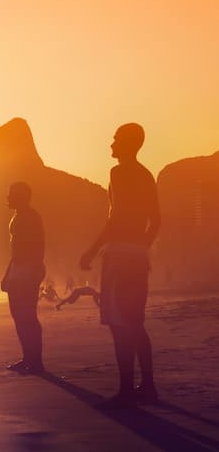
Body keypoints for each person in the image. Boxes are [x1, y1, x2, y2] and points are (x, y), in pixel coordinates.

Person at [80, 123, 160, 408]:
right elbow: (157, 221)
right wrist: (141, 248)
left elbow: (116, 218)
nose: (111, 144)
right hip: (137, 257)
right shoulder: (146, 175)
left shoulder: (119, 172)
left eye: (115, 139)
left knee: (118, 323)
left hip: (119, 257)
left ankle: (127, 388)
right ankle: (148, 386)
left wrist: (91, 250)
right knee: (135, 322)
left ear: (127, 143)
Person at [1, 182, 46, 374]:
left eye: (11, 194)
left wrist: (35, 271)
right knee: (18, 316)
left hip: (28, 270)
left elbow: (39, 246)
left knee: (28, 316)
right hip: (18, 270)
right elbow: (15, 251)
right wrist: (8, 274)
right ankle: (28, 358)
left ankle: (36, 361)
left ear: (21, 197)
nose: (7, 198)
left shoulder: (31, 217)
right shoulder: (17, 216)